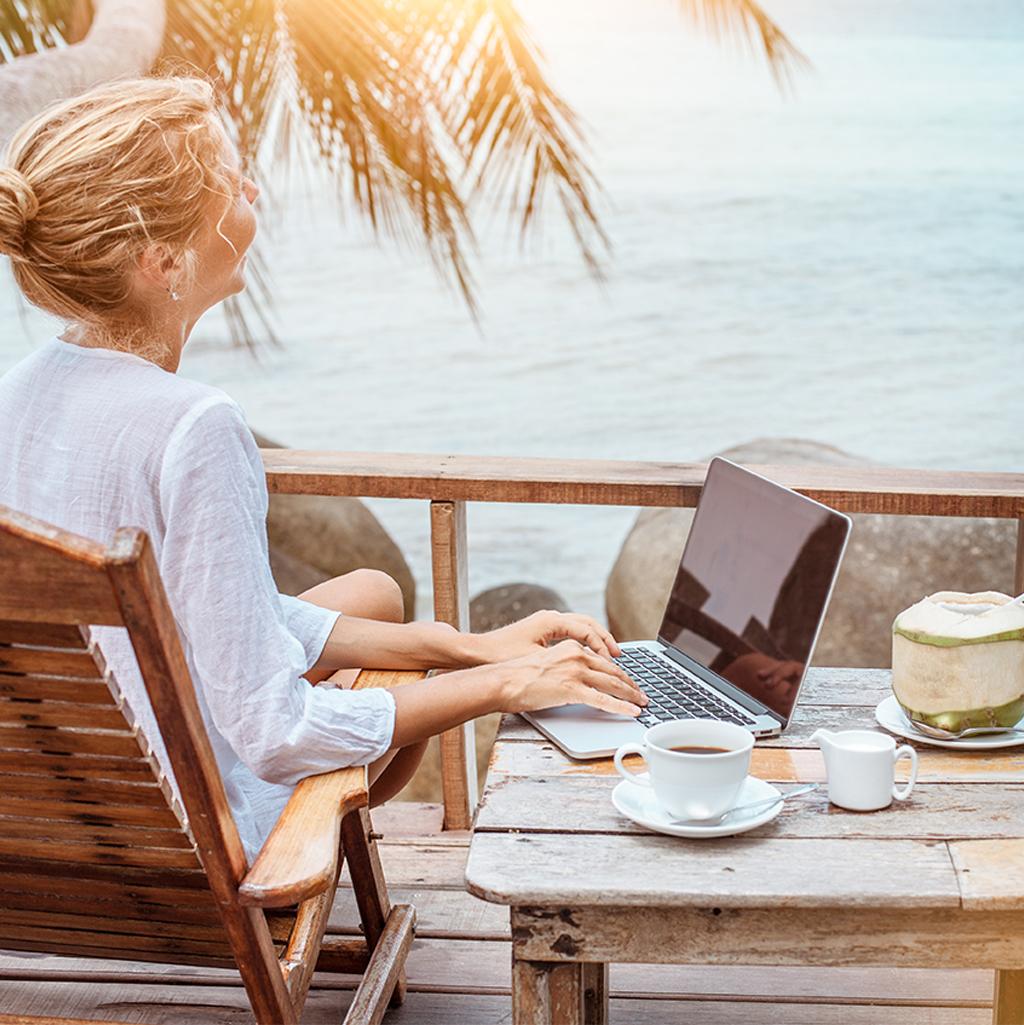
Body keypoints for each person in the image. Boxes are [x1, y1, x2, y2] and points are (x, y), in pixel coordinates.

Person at [0, 76, 645, 857]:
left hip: (50, 828)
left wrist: (465, 645)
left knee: (375, 596)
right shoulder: (193, 428)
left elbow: (216, 612)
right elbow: (275, 733)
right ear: (161, 260)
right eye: (230, 184)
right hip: (194, 843)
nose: (252, 191)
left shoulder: (22, 391)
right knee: (390, 693)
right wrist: (505, 685)